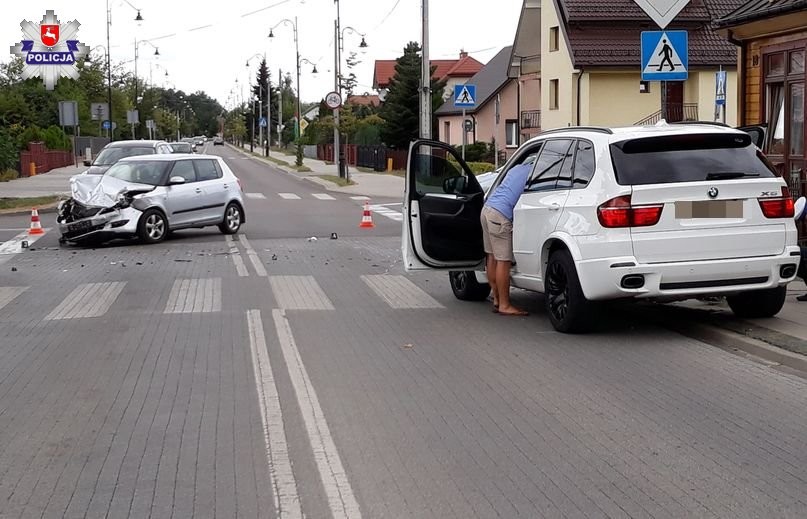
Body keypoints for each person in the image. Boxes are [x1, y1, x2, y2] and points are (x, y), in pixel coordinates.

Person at [480, 161, 534, 316]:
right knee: (504, 260)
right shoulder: (536, 172)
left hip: (487, 209)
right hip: (501, 214)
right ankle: (504, 305)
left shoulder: (517, 168)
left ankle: (497, 299)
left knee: (492, 257)